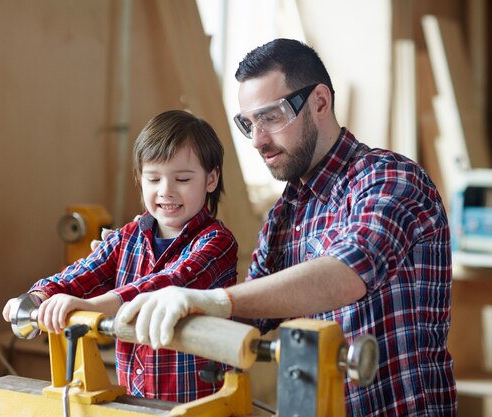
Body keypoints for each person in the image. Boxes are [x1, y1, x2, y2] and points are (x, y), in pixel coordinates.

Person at [117, 39, 456, 416]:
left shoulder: (389, 178)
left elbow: (346, 273)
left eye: (271, 117)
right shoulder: (286, 213)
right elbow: (250, 314)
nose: (258, 140)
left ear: (320, 103)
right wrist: (161, 274)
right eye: (249, 123)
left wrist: (212, 299)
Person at [2, 109, 238, 403]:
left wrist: (92, 305)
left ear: (211, 179)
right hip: (137, 400)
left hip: (200, 402)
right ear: (140, 179)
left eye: (182, 179)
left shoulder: (217, 243)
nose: (166, 191)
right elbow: (84, 272)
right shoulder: (127, 237)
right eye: (154, 179)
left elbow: (169, 284)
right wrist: (37, 297)